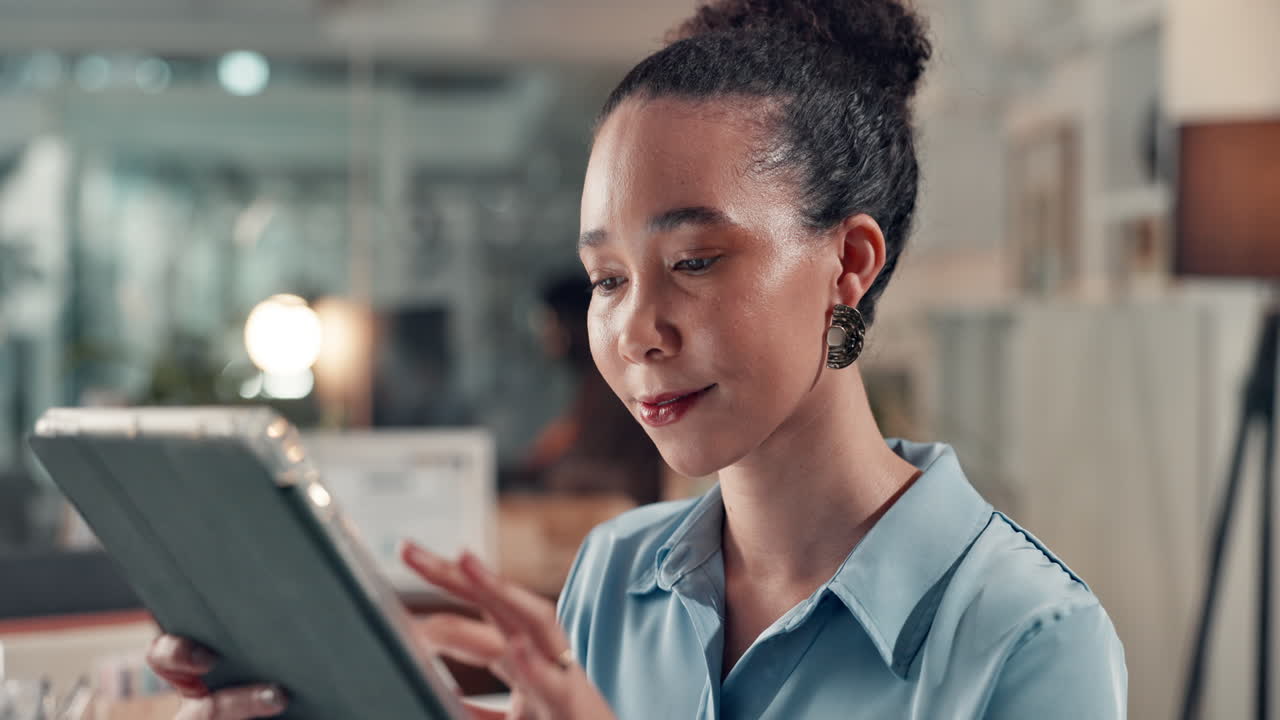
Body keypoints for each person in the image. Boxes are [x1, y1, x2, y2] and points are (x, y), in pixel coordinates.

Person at [146, 1, 1128, 718]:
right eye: (607, 279)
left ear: (848, 263)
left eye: (694, 262)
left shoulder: (1026, 637)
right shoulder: (615, 574)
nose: (635, 331)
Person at [517, 273, 666, 506]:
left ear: (574, 323)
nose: (546, 336)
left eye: (550, 323)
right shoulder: (592, 384)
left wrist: (560, 472)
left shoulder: (613, 385)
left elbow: (636, 477)